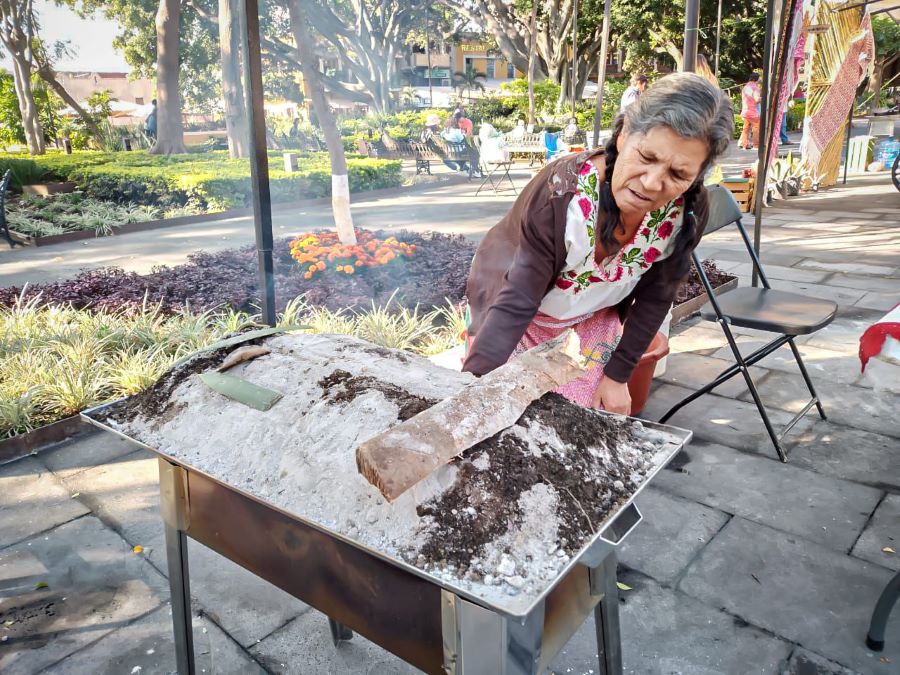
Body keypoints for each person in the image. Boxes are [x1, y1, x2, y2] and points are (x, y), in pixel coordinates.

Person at [462, 72, 733, 414]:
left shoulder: (686, 213)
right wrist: (471, 391)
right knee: (507, 410)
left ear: (697, 175)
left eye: (678, 174)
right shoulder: (562, 198)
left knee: (579, 417)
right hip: (518, 317)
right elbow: (518, 297)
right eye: (646, 157)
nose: (651, 183)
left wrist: (618, 376)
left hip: (590, 319)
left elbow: (657, 296)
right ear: (622, 135)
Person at [739, 73, 761, 150]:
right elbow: (757, 99)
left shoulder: (745, 87)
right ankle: (756, 145)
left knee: (745, 129)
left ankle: (745, 145)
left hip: (745, 111)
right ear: (757, 79)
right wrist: (762, 98)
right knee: (756, 129)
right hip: (753, 112)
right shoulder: (755, 88)